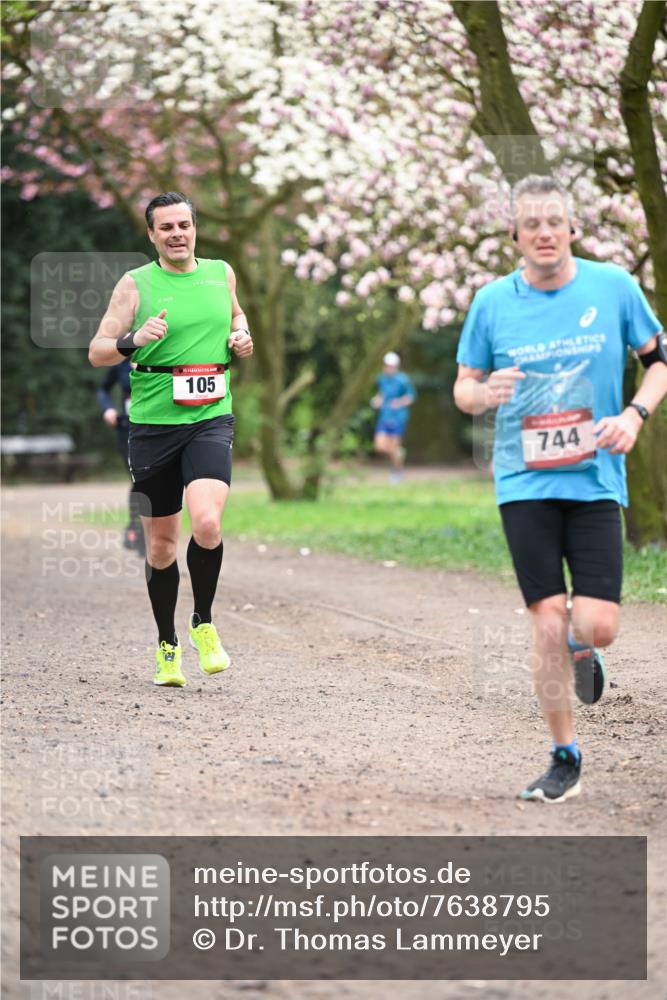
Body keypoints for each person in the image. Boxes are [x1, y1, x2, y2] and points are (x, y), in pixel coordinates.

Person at [454, 174, 667, 802]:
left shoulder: (614, 286)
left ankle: (582, 646)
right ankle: (564, 756)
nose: (544, 233)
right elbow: (464, 387)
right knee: (545, 620)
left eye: (554, 222)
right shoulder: (493, 302)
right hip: (523, 480)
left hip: (595, 477)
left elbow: (658, 363)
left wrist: (634, 416)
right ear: (515, 236)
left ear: (572, 228)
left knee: (598, 625)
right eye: (531, 224)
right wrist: (483, 393)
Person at [89, 191, 253, 688]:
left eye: (184, 225)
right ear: (152, 234)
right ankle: (167, 644)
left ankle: (203, 622)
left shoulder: (220, 273)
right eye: (166, 227)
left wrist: (241, 336)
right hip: (154, 428)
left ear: (194, 228)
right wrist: (133, 340)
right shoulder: (135, 284)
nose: (177, 234)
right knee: (161, 548)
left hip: (210, 417)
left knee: (207, 522)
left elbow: (237, 315)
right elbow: (98, 351)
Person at [96, 358, 145, 555]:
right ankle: (136, 527)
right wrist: (107, 409)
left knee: (152, 480)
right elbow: (103, 389)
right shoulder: (121, 362)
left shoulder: (161, 355)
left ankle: (147, 530)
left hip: (157, 427)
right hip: (128, 430)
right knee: (138, 478)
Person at [371, 351, 416, 483]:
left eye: (391, 366)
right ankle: (399, 455)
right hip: (384, 416)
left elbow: (411, 397)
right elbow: (382, 394)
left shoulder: (403, 380)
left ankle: (397, 472)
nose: (388, 368)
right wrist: (377, 400)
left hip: (398, 417)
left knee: (394, 447)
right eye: (386, 365)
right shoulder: (381, 378)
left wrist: (399, 402)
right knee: (380, 446)